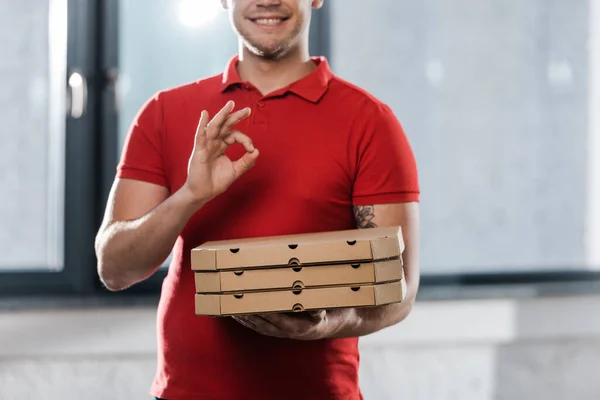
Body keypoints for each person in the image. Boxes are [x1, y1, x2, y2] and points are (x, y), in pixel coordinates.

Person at [94, 0, 420, 398]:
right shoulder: (163, 113)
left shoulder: (371, 122)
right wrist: (190, 196)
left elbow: (398, 287)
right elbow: (114, 270)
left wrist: (324, 325)